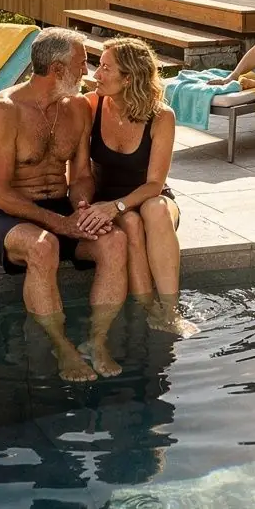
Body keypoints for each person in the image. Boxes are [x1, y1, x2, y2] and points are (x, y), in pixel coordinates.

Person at [0, 27, 128, 382]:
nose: (88, 71)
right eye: (82, 62)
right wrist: (60, 225)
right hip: (2, 213)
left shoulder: (77, 107)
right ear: (58, 69)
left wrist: (83, 209)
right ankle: (61, 347)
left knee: (115, 241)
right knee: (43, 247)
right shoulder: (3, 110)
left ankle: (96, 342)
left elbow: (82, 174)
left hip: (61, 206)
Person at [76, 37, 195, 335]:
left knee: (153, 210)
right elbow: (78, 172)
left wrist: (116, 206)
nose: (96, 74)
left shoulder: (161, 116)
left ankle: (170, 311)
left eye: (105, 68)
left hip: (150, 196)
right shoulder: (91, 105)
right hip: (107, 199)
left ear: (128, 78)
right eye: (98, 66)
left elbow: (155, 184)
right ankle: (147, 310)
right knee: (129, 220)